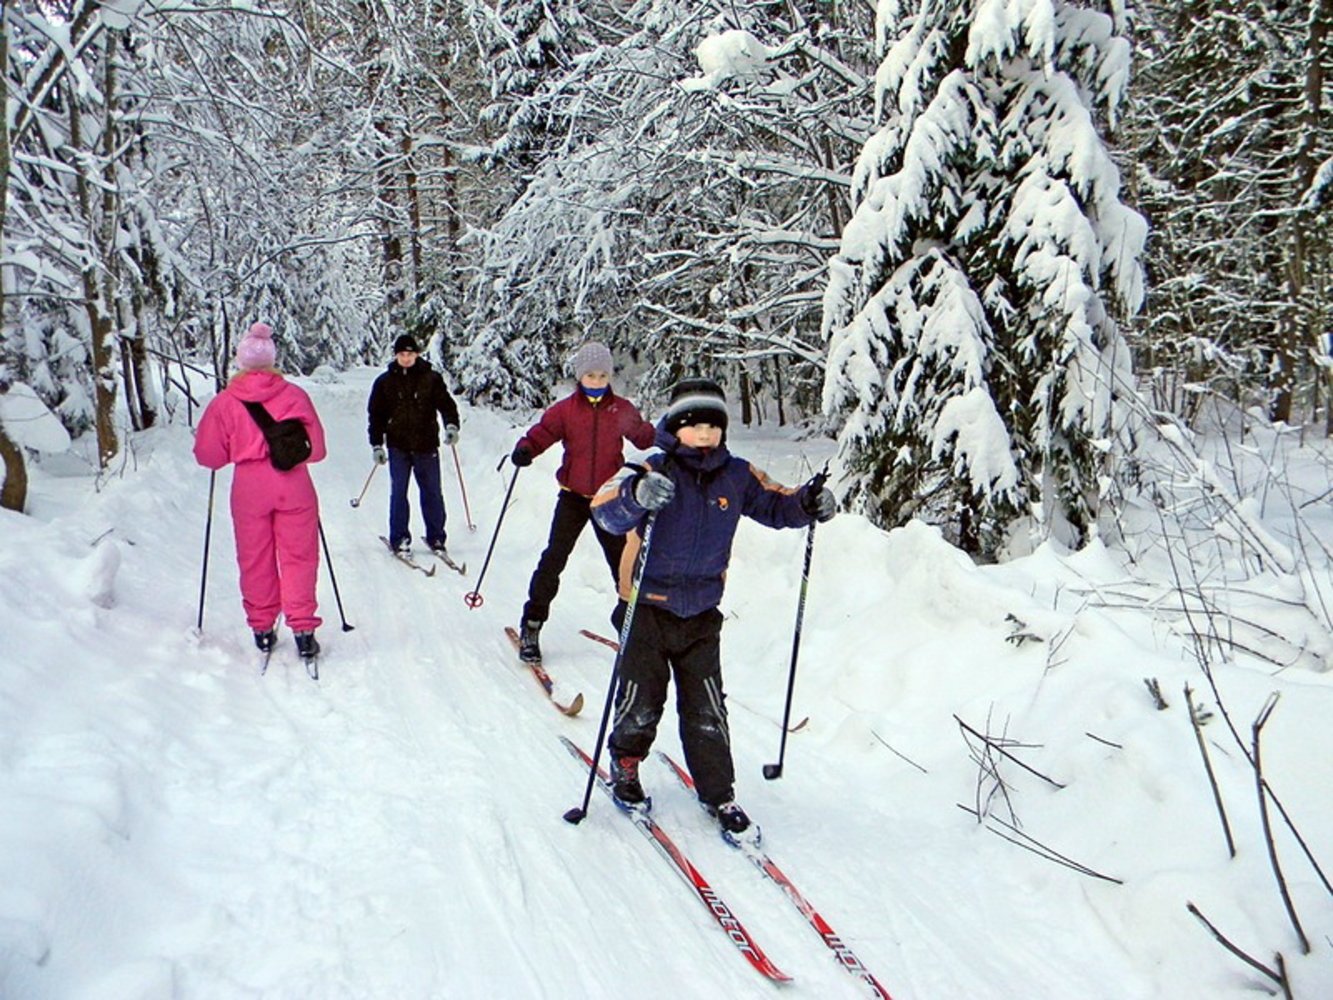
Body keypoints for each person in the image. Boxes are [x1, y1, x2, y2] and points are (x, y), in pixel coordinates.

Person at [591, 377, 836, 836]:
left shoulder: (737, 474)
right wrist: (636, 497)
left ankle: (719, 792)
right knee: (641, 697)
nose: (705, 434)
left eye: (713, 425)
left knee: (707, 708)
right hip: (645, 604)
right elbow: (604, 507)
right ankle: (625, 763)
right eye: (694, 425)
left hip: (702, 611)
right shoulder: (650, 467)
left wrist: (808, 502)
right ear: (675, 426)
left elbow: (777, 505)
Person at [509, 341, 655, 663]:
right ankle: (532, 624)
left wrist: (670, 435)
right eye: (591, 375)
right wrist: (525, 449)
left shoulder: (621, 410)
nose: (597, 381)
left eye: (603, 375)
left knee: (624, 566)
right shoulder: (566, 411)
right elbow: (542, 433)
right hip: (573, 497)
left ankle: (632, 629)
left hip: (610, 500)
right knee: (554, 559)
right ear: (580, 376)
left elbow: (645, 437)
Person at [193, 322, 328, 661]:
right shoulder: (295, 395)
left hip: (249, 488)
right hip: (293, 484)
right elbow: (318, 450)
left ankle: (263, 628)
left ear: (240, 362)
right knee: (299, 556)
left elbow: (209, 456)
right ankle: (303, 629)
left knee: (255, 558)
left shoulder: (224, 403)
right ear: (272, 360)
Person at [366, 334, 461, 557]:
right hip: (398, 446)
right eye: (402, 354)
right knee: (398, 493)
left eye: (410, 354)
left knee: (432, 493)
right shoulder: (384, 382)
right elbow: (376, 416)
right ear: (396, 355)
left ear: (417, 354)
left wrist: (451, 426)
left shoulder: (431, 378)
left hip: (426, 445)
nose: (406, 358)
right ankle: (399, 538)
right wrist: (377, 445)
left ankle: (436, 536)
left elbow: (447, 405)